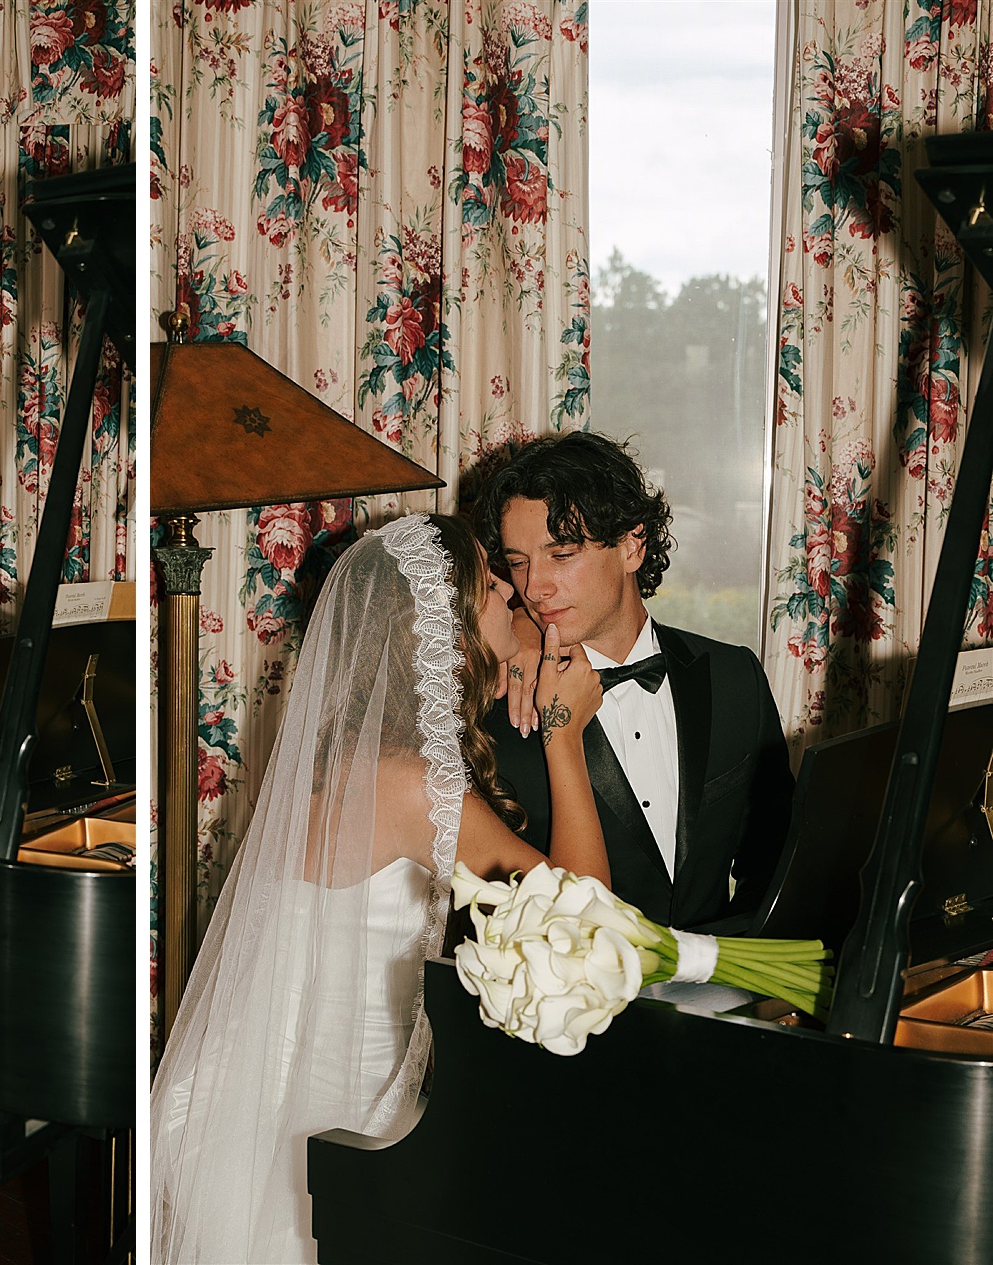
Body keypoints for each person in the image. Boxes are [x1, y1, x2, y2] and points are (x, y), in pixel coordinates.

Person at [150, 513, 609, 1264]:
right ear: (449, 633)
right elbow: (586, 916)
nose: (520, 602)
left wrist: (522, 652)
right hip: (343, 1124)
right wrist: (564, 735)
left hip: (245, 1106)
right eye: (498, 587)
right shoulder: (415, 787)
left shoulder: (339, 767)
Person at [479, 430, 793, 931]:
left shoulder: (735, 677)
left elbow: (775, 865)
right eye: (518, 563)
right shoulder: (494, 704)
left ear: (631, 545)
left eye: (561, 555)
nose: (534, 588)